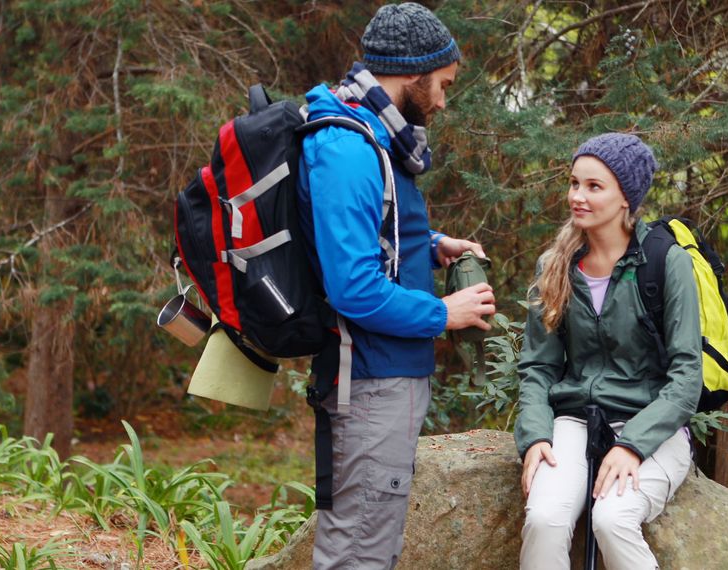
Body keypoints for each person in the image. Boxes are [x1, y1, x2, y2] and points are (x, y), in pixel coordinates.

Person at [296, 3, 495, 569]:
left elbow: (368, 227)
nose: (442, 101)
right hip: (370, 381)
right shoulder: (349, 147)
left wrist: (430, 245)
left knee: (369, 544)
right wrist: (443, 312)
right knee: (359, 552)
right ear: (413, 74)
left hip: (382, 375)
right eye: (442, 85)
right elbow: (353, 287)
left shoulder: (374, 135)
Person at [513, 133, 702, 570]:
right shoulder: (554, 265)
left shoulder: (665, 262)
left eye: (594, 187)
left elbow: (687, 376)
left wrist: (632, 444)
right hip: (575, 420)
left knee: (613, 519)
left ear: (625, 199)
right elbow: (539, 367)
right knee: (544, 518)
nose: (577, 196)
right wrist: (536, 435)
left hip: (651, 426)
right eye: (574, 183)